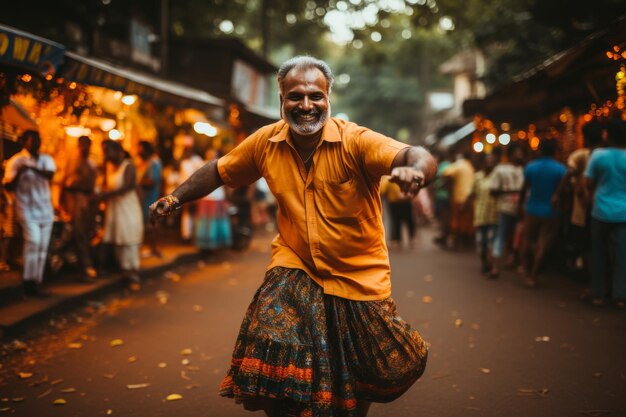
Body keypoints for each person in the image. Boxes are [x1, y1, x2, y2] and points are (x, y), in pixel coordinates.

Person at [151, 56, 434, 417]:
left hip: (358, 275)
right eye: (295, 97)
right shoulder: (265, 142)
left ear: (328, 97)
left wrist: (415, 170)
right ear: (281, 98)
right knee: (268, 340)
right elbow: (219, 171)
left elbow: (415, 154)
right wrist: (175, 198)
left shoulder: (356, 141)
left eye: (315, 96)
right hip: (294, 264)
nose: (305, 105)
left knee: (370, 370)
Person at [2, 130, 56, 297]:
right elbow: (8, 185)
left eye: (37, 140)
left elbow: (50, 175)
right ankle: (28, 281)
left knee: (42, 248)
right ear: (24, 142)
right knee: (33, 241)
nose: (35, 143)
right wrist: (21, 171)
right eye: (32, 140)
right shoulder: (16, 161)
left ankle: (36, 282)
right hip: (26, 209)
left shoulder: (46, 159)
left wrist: (31, 168)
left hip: (46, 210)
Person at [584, 117, 626, 308]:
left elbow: (588, 183)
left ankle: (598, 294)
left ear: (607, 134)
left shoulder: (598, 155)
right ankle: (620, 296)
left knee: (598, 253)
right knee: (622, 255)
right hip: (623, 212)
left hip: (600, 210)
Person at [518, 139, 566, 288]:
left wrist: (520, 205)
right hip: (550, 212)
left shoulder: (531, 167)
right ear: (555, 151)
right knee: (543, 244)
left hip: (532, 209)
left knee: (528, 240)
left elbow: (524, 189)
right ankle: (533, 275)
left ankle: (526, 268)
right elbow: (563, 192)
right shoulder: (560, 169)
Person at [96, 140, 144, 288]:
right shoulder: (108, 167)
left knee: (129, 239)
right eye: (104, 151)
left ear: (117, 151)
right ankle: (125, 272)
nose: (106, 154)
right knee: (117, 239)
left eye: (108, 151)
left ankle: (133, 274)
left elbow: (128, 186)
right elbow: (104, 184)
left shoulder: (128, 165)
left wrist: (105, 195)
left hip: (128, 207)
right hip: (114, 209)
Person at [61, 135, 98, 281]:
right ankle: (85, 267)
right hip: (74, 200)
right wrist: (61, 203)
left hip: (86, 202)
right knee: (78, 233)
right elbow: (65, 182)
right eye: (82, 145)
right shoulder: (72, 161)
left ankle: (84, 267)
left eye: (87, 145)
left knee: (84, 233)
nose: (85, 148)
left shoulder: (91, 164)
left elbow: (92, 188)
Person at [488, 145, 525, 278]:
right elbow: (492, 190)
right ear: (510, 155)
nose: (520, 155)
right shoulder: (500, 169)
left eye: (521, 152)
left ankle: (517, 262)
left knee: (518, 237)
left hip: (521, 209)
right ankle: (495, 267)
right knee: (501, 236)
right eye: (517, 152)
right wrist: (512, 192)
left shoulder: (523, 170)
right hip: (505, 207)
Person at [471, 153, 498, 274]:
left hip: (494, 215)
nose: (490, 163)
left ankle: (492, 266)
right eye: (488, 161)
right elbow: (473, 194)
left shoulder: (497, 177)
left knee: (491, 242)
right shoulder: (477, 177)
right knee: (481, 244)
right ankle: (485, 263)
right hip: (480, 215)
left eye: (492, 161)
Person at [442, 152, 475, 248]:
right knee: (467, 221)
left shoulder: (459, 165)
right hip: (470, 198)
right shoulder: (470, 166)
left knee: (456, 220)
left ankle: (457, 240)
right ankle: (466, 241)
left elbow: (446, 172)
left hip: (459, 197)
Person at [137, 140, 163, 258]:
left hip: (150, 197)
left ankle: (154, 248)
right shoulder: (143, 163)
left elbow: (153, 181)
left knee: (152, 223)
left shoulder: (154, 163)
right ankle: (146, 247)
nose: (138, 151)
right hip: (142, 198)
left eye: (141, 149)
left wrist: (136, 182)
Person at [380, 175, 416, 249]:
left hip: (405, 201)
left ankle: (412, 237)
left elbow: (413, 188)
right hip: (394, 203)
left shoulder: (405, 176)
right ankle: (397, 239)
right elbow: (382, 190)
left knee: (408, 220)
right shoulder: (388, 179)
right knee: (396, 221)